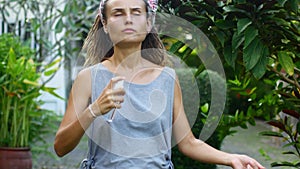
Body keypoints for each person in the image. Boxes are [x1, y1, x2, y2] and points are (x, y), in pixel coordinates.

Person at [54, 0, 265, 168]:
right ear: (106, 25)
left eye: (136, 12)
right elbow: (60, 147)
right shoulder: (88, 77)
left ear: (148, 23)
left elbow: (188, 143)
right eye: (118, 13)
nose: (128, 19)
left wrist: (230, 158)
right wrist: (94, 110)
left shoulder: (168, 78)